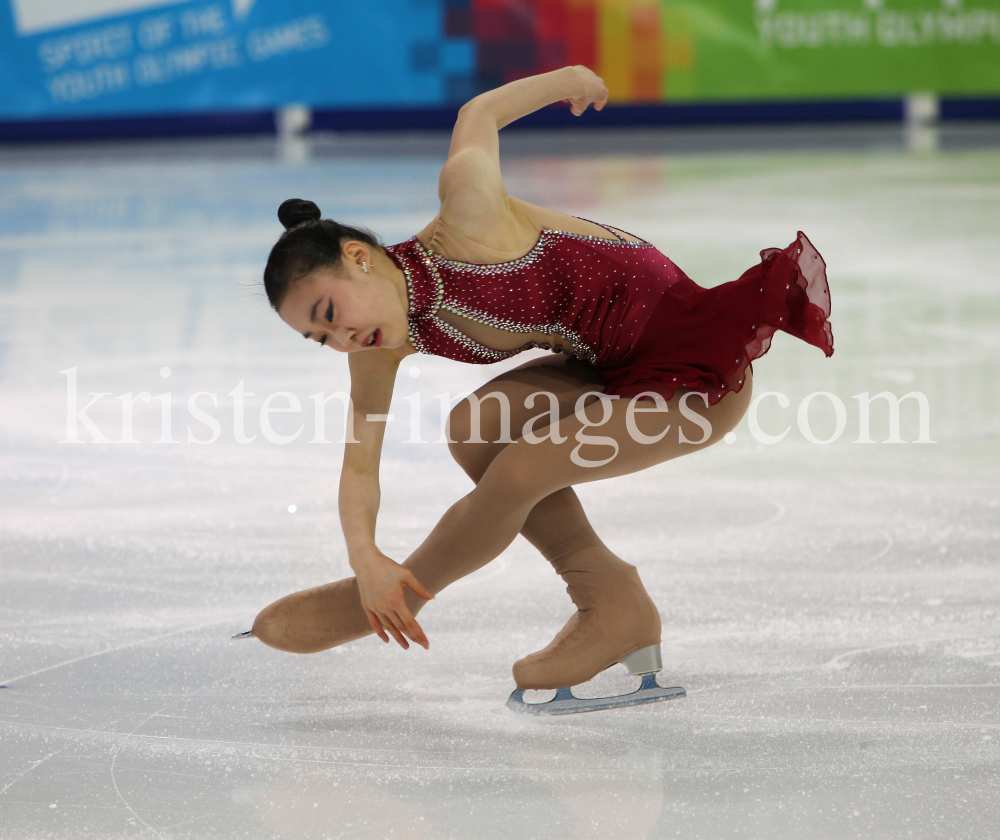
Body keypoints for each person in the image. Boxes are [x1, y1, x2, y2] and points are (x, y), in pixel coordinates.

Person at [243, 66, 834, 704]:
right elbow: (360, 464)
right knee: (475, 432)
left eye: (331, 316)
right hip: (609, 370)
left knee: (522, 471)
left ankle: (408, 591)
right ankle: (612, 602)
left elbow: (477, 116)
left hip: (693, 378)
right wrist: (364, 558)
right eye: (319, 339)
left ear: (359, 259)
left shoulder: (467, 218)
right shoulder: (381, 345)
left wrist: (569, 78)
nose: (340, 342)